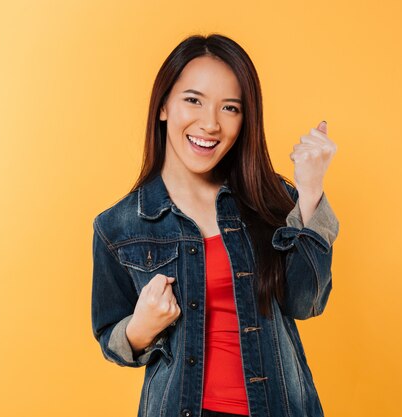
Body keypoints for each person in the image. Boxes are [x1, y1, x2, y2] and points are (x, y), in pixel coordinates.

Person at [91, 33, 338, 417]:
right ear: (163, 107)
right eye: (193, 100)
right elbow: (112, 336)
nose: (210, 124)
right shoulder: (119, 226)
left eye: (230, 108)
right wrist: (141, 326)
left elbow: (306, 303)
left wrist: (309, 193)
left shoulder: (269, 200)